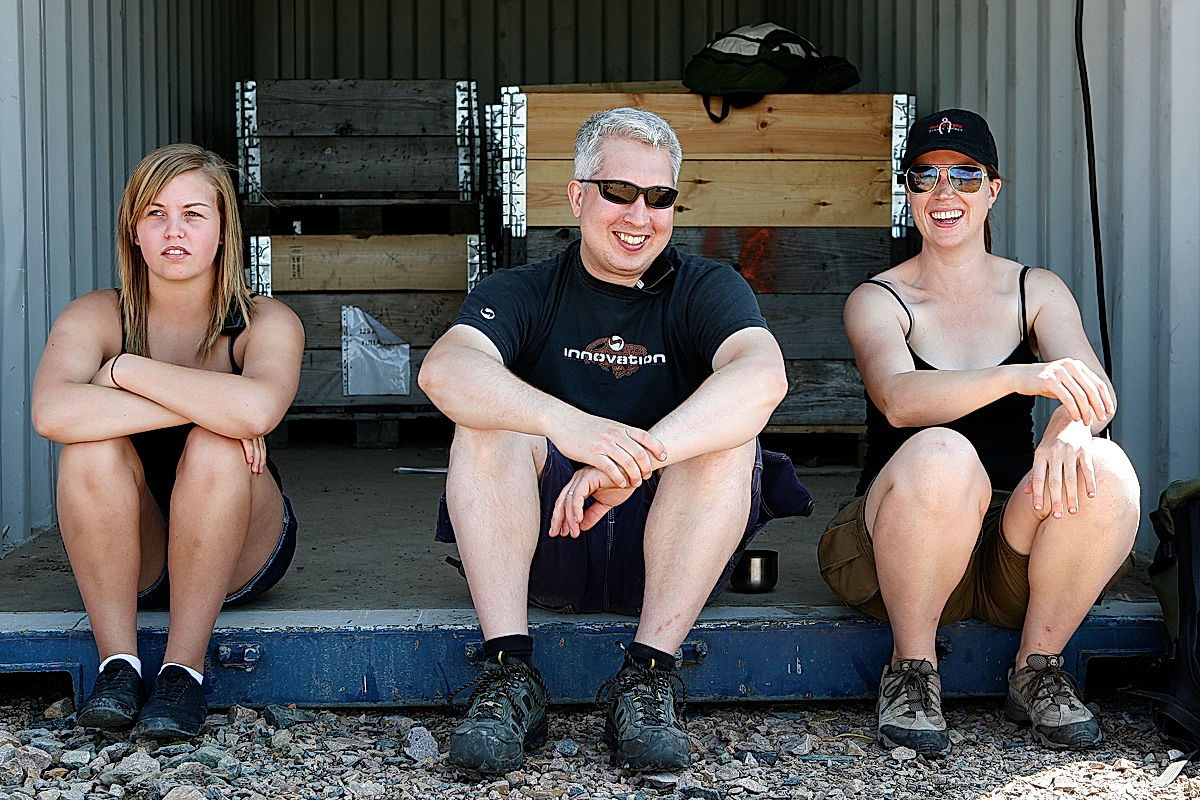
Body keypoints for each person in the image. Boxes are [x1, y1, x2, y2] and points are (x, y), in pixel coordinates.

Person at [418, 107, 811, 774]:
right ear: (578, 195)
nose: (639, 216)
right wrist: (569, 426)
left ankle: (648, 676)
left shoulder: (706, 287)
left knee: (728, 437)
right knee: (485, 423)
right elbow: (444, 370)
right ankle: (510, 674)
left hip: (673, 560)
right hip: (549, 547)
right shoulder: (524, 289)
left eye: (659, 198)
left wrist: (639, 456)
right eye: (619, 192)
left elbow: (763, 375)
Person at [818, 109, 1139, 756]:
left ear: (993, 190)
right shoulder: (879, 298)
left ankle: (1038, 668)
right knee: (942, 451)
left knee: (1104, 467)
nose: (945, 194)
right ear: (907, 194)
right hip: (899, 545)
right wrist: (1024, 377)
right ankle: (912, 671)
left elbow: (1092, 390)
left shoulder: (1035, 289)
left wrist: (1071, 432)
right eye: (926, 177)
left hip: (1004, 553)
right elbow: (901, 400)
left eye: (965, 176)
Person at [31, 143, 305, 741]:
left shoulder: (263, 320)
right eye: (155, 213)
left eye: (193, 214)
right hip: (140, 549)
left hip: (240, 548)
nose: (173, 231)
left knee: (216, 443)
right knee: (88, 448)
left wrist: (125, 372)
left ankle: (184, 672)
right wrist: (214, 405)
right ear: (134, 230)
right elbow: (52, 413)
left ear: (223, 229)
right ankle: (119, 668)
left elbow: (259, 407)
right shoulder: (98, 314)